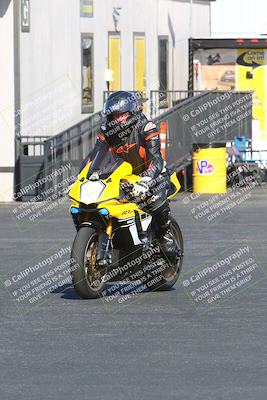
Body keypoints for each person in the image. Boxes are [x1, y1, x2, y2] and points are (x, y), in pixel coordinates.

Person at [74, 91, 179, 264]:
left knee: (154, 200)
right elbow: (96, 156)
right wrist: (82, 176)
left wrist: (146, 180)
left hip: (152, 174)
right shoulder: (107, 131)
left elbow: (156, 159)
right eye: (115, 115)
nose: (119, 119)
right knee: (91, 203)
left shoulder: (146, 128)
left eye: (122, 115)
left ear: (131, 113)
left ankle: (165, 236)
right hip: (124, 177)